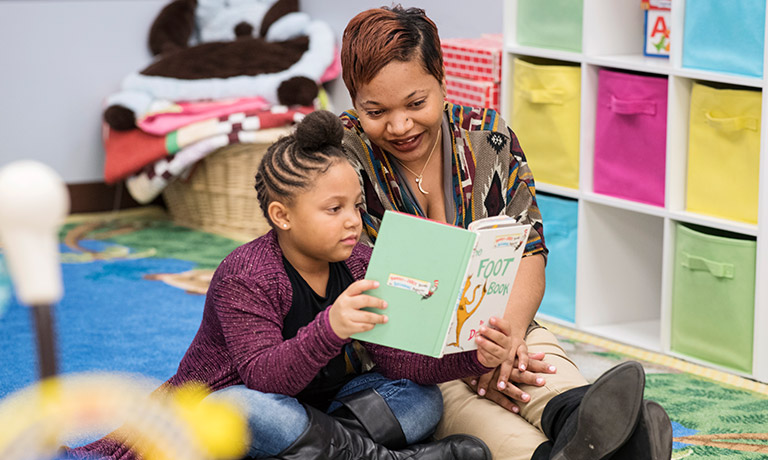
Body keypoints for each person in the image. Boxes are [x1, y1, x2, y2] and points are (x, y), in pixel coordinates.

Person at [61, 110, 509, 460]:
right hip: (246, 404)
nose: (354, 221)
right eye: (334, 209)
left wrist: (471, 357)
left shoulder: (361, 261)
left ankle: (317, 451)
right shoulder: (245, 275)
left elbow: (398, 362)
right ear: (282, 216)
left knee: (421, 398)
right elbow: (263, 377)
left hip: (321, 413)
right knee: (237, 409)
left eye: (355, 205)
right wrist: (331, 326)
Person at [338, 5, 673, 460]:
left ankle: (581, 420)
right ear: (353, 100)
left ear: (442, 76)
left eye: (416, 104)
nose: (399, 126)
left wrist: (508, 337)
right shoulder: (341, 159)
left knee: (536, 364)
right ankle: (613, 447)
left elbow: (530, 248)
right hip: (403, 357)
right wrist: (466, 360)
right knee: (454, 401)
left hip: (499, 323)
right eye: (375, 111)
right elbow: (340, 277)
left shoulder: (488, 137)